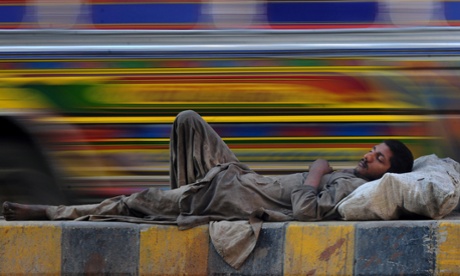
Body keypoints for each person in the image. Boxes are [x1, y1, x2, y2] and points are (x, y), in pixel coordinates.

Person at [2, 110, 414, 227]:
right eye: (371, 150)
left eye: (377, 158)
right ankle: (182, 198)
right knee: (188, 120)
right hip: (233, 175)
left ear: (386, 174)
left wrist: (315, 171)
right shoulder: (352, 176)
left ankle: (47, 213)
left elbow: (306, 212)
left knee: (133, 203)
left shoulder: (351, 191)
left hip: (232, 195)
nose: (366, 156)